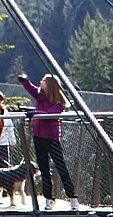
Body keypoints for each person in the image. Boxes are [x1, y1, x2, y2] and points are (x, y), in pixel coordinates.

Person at [18, 72, 76, 205]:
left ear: (49, 85)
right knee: (44, 168)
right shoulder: (40, 96)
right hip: (39, 136)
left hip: (52, 138)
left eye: (43, 80)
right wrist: (24, 81)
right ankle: (48, 198)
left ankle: (72, 196)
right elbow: (31, 88)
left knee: (61, 167)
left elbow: (50, 114)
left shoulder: (58, 103)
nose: (40, 82)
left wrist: (35, 113)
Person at [0, 90, 31, 205]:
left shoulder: (4, 111)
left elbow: (9, 126)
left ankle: (4, 196)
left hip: (3, 141)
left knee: (5, 167)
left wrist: (12, 141)